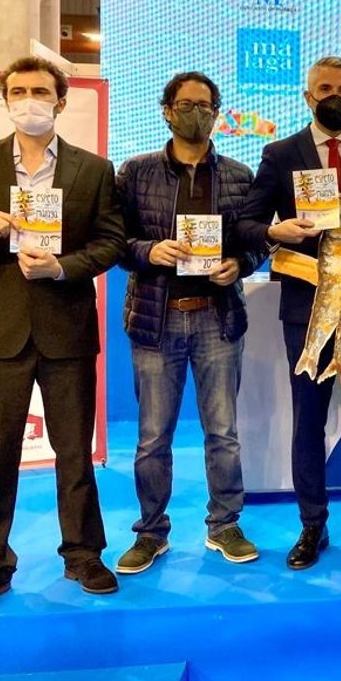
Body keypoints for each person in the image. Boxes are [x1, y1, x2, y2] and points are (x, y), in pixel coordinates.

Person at [0, 56, 125, 620]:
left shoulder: (93, 169)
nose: (29, 100)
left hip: (66, 328)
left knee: (74, 453)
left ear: (60, 101)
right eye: (18, 91)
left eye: (40, 91)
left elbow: (110, 242)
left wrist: (62, 267)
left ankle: (83, 554)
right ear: (6, 99)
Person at [237, 56, 341, 570]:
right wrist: (275, 231)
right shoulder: (280, 153)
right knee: (308, 418)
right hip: (307, 307)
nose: (336, 96)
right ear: (308, 97)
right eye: (325, 88)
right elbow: (246, 222)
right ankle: (312, 525)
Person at [114, 72, 269, 574]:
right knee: (152, 438)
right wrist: (149, 250)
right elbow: (114, 241)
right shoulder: (136, 173)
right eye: (186, 104)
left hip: (216, 320)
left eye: (205, 105)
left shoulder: (240, 175)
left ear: (216, 114)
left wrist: (239, 265)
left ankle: (224, 525)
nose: (196, 113)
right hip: (156, 321)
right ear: (167, 111)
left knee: (223, 433)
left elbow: (256, 242)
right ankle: (150, 532)